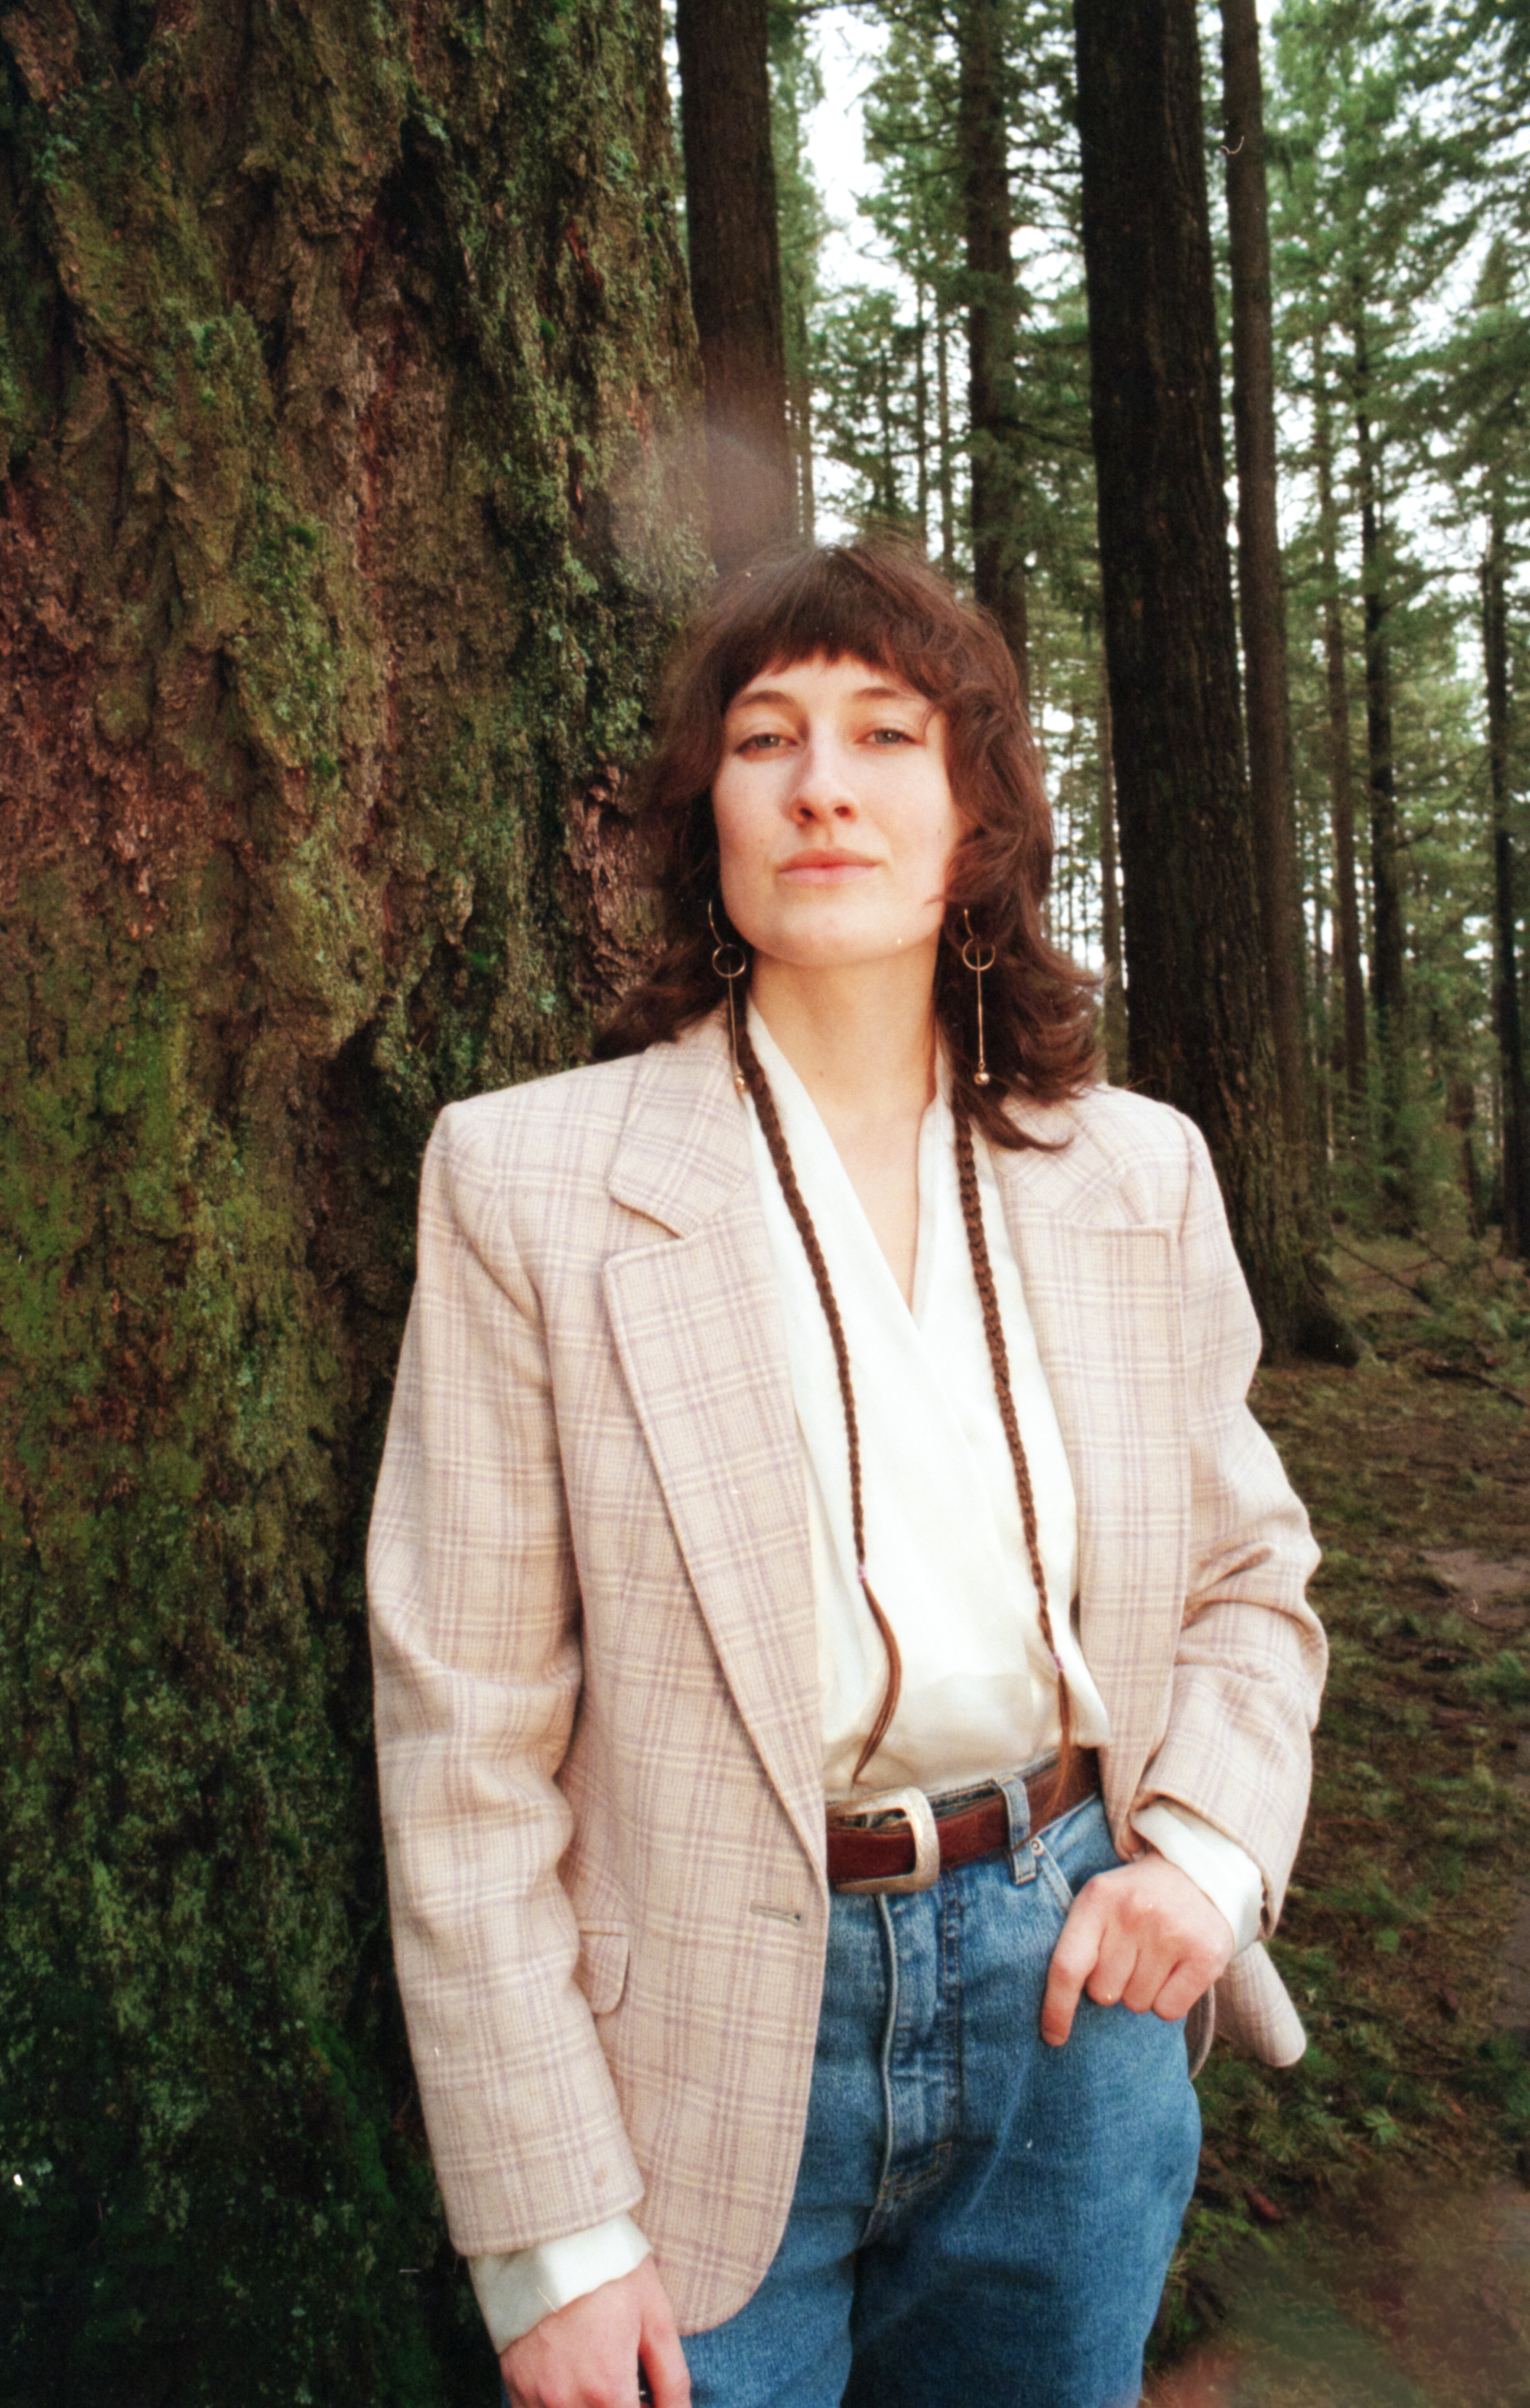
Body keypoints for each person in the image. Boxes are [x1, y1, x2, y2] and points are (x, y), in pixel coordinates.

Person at [368, 542, 1324, 2408]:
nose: (823, 781)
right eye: (765, 736)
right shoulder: (527, 1185)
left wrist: (1202, 1855)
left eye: (890, 733)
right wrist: (547, 2231)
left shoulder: (1136, 1172)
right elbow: (463, 1735)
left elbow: (1248, 1584)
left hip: (1074, 1996)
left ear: (974, 821)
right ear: (704, 816)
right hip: (700, 2047)